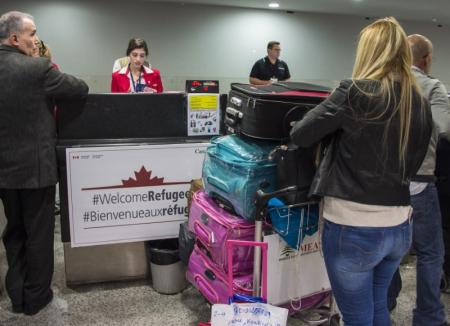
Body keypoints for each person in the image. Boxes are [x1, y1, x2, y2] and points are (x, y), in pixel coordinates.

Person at [290, 17, 432, 326]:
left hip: (353, 227)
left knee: (356, 317)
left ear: (369, 52)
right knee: (378, 307)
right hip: (398, 228)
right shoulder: (419, 102)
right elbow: (417, 157)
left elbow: (300, 134)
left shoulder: (354, 91)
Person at [0, 11, 88, 315]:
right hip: (36, 170)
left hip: (4, 172)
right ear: (14, 38)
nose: (36, 39)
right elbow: (79, 87)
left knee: (14, 231)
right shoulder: (37, 69)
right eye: (32, 33)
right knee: (38, 234)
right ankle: (36, 298)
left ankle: (16, 295)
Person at [387, 34, 450, 325]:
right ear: (426, 60)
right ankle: (428, 316)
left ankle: (384, 303)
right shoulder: (432, 86)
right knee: (431, 252)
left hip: (383, 183)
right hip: (421, 181)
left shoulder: (382, 83)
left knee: (387, 250)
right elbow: (443, 128)